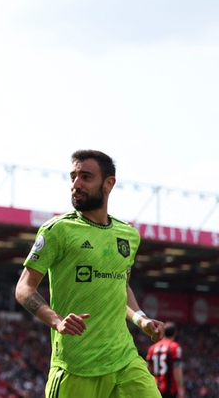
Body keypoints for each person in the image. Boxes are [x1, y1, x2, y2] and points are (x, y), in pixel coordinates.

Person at [15, 149, 165, 398]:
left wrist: (141, 320)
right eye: (73, 176)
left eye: (86, 177)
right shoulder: (57, 230)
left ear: (109, 184)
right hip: (76, 368)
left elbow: (121, 287)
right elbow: (24, 288)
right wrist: (57, 321)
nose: (76, 184)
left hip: (124, 361)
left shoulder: (128, 234)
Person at [146, 321, 185, 398]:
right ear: (175, 333)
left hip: (156, 388)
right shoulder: (174, 347)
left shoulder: (152, 348)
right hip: (170, 390)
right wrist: (181, 387)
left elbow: (147, 369)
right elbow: (177, 369)